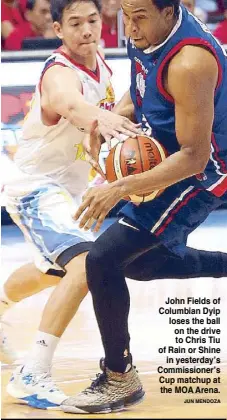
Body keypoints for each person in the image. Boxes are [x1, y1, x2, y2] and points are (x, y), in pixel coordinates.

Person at [59, 0, 227, 414]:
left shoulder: (190, 61)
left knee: (102, 260)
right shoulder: (146, 31)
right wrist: (107, 120)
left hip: (203, 172)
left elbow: (194, 157)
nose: (130, 28)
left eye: (139, 17)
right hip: (169, 150)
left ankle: (120, 378)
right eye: (125, 15)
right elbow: (143, 93)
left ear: (171, 12)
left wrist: (118, 188)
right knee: (136, 264)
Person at [2, 0, 142, 409]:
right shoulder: (59, 71)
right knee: (85, 264)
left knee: (55, 272)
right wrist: (104, 121)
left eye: (93, 21)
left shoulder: (108, 68)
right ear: (59, 30)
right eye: (75, 23)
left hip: (71, 190)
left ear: (103, 23)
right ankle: (33, 373)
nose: (86, 30)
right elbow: (69, 103)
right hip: (35, 186)